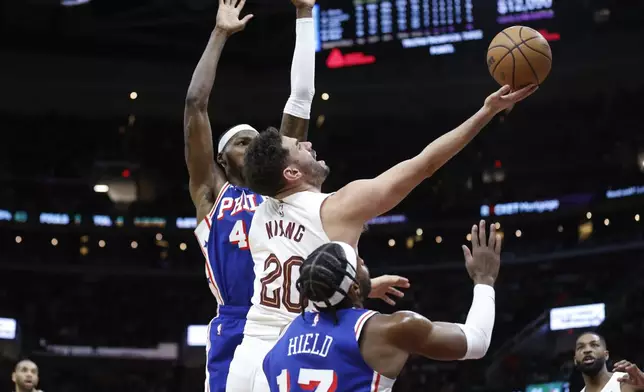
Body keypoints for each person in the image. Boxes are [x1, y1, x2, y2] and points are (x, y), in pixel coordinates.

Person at [235, 82, 535, 391]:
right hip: (317, 345)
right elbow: (425, 164)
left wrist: (360, 285)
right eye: (299, 147)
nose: (308, 145)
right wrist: (488, 111)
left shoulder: (258, 214)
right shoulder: (338, 207)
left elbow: (291, 259)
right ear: (292, 173)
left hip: (255, 355)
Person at [184, 0, 406, 391]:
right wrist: (220, 33)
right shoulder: (211, 196)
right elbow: (195, 106)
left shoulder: (281, 192)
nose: (253, 143)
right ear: (221, 159)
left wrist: (305, 14)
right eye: (241, 141)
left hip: (298, 324)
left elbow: (300, 97)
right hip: (238, 327)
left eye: (257, 139)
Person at [262, 220, 501, 392]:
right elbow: (477, 341)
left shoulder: (282, 338)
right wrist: (484, 280)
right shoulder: (392, 329)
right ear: (354, 288)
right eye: (360, 263)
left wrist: (362, 288)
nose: (364, 262)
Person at [575, 332, 643, 392]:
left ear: (606, 355)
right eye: (580, 347)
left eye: (594, 345)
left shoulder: (627, 382)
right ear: (575, 360)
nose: (587, 350)